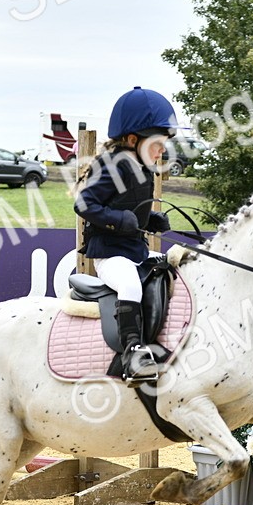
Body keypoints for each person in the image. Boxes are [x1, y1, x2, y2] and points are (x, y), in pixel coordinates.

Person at [73, 87, 178, 386]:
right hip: (110, 255)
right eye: (157, 143)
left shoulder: (143, 167)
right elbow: (84, 204)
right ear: (133, 139)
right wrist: (120, 221)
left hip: (135, 251)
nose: (162, 150)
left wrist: (150, 219)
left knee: (171, 268)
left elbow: (133, 209)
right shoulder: (111, 165)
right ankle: (132, 354)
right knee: (130, 284)